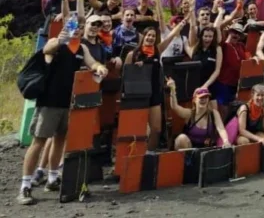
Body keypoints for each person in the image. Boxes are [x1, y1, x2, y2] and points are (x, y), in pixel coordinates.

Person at [18, 19, 109, 205]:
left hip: (69, 103)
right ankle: (25, 186)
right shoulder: (57, 44)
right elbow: (47, 49)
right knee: (38, 142)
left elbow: (92, 63)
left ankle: (52, 178)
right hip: (49, 103)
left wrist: (100, 68)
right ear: (66, 29)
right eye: (72, 28)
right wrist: (62, 37)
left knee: (60, 140)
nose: (76, 31)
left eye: (79, 28)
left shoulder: (82, 49)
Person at [124, 19, 187, 151]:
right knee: (139, 128)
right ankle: (136, 153)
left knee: (156, 128)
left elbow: (170, 37)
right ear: (143, 37)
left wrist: (182, 23)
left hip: (155, 93)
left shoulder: (157, 50)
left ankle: (150, 152)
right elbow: (125, 75)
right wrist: (137, 69)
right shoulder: (133, 54)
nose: (151, 38)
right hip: (138, 95)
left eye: (153, 36)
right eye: (149, 35)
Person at [167, 84, 230, 149]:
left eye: (206, 97)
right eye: (201, 97)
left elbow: (221, 129)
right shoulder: (189, 114)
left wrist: (226, 141)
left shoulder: (214, 114)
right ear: (195, 100)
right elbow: (174, 107)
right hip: (189, 150)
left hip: (206, 150)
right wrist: (172, 89)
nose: (204, 100)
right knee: (181, 138)